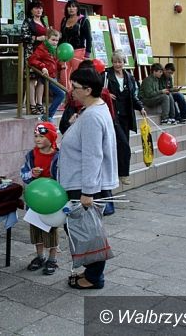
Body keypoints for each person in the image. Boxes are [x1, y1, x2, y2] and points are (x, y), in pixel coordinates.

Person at [58, 67, 118, 290]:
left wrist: (88, 191)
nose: (71, 91)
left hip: (83, 184)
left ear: (88, 90)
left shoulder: (92, 116)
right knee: (83, 229)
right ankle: (91, 272)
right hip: (81, 181)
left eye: (74, 87)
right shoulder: (92, 109)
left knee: (86, 232)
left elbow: (93, 156)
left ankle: (94, 277)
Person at [20, 122, 61, 275]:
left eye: (42, 136)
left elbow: (63, 177)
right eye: (36, 136)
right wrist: (31, 174)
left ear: (51, 138)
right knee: (35, 228)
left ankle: (52, 258)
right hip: (35, 198)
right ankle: (40, 256)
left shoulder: (59, 156)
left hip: (52, 200)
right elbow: (23, 173)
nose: (38, 139)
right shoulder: (31, 155)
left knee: (51, 229)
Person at [104, 51, 147, 185]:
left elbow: (133, 96)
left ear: (124, 62)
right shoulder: (106, 74)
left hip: (126, 116)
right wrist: (106, 94)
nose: (117, 64)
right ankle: (123, 174)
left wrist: (140, 107)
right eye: (115, 62)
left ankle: (119, 172)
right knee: (123, 144)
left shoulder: (129, 77)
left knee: (122, 144)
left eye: (120, 62)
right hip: (112, 115)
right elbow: (96, 90)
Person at [28, 28, 66, 120]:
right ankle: (48, 115)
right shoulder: (42, 48)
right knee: (61, 94)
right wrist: (42, 67)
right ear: (47, 38)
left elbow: (53, 63)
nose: (55, 42)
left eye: (57, 40)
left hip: (52, 76)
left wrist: (61, 66)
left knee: (59, 94)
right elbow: (32, 59)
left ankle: (48, 115)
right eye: (53, 40)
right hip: (46, 77)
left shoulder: (53, 49)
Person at [21, 1, 49, 114]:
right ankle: (32, 104)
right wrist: (37, 38)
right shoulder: (27, 21)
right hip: (31, 53)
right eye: (36, 8)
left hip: (43, 54)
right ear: (31, 10)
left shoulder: (43, 22)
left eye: (40, 8)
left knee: (41, 80)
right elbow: (23, 36)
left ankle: (39, 103)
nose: (39, 10)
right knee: (32, 79)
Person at [59, 0, 92, 88]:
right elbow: (61, 37)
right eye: (69, 7)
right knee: (64, 77)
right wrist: (58, 52)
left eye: (73, 6)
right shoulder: (64, 20)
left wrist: (87, 55)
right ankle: (68, 96)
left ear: (77, 8)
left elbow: (89, 38)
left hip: (78, 52)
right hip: (64, 53)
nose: (71, 9)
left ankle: (78, 96)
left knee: (78, 77)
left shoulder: (83, 20)